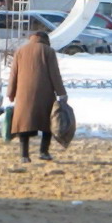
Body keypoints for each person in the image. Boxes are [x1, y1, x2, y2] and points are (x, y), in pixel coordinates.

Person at [6, 30, 67, 162]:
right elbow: (55, 75)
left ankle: (24, 155)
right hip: (45, 94)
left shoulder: (20, 51)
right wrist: (61, 93)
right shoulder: (48, 51)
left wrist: (11, 92)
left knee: (24, 124)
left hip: (23, 94)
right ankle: (44, 152)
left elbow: (13, 74)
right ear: (45, 40)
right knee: (47, 123)